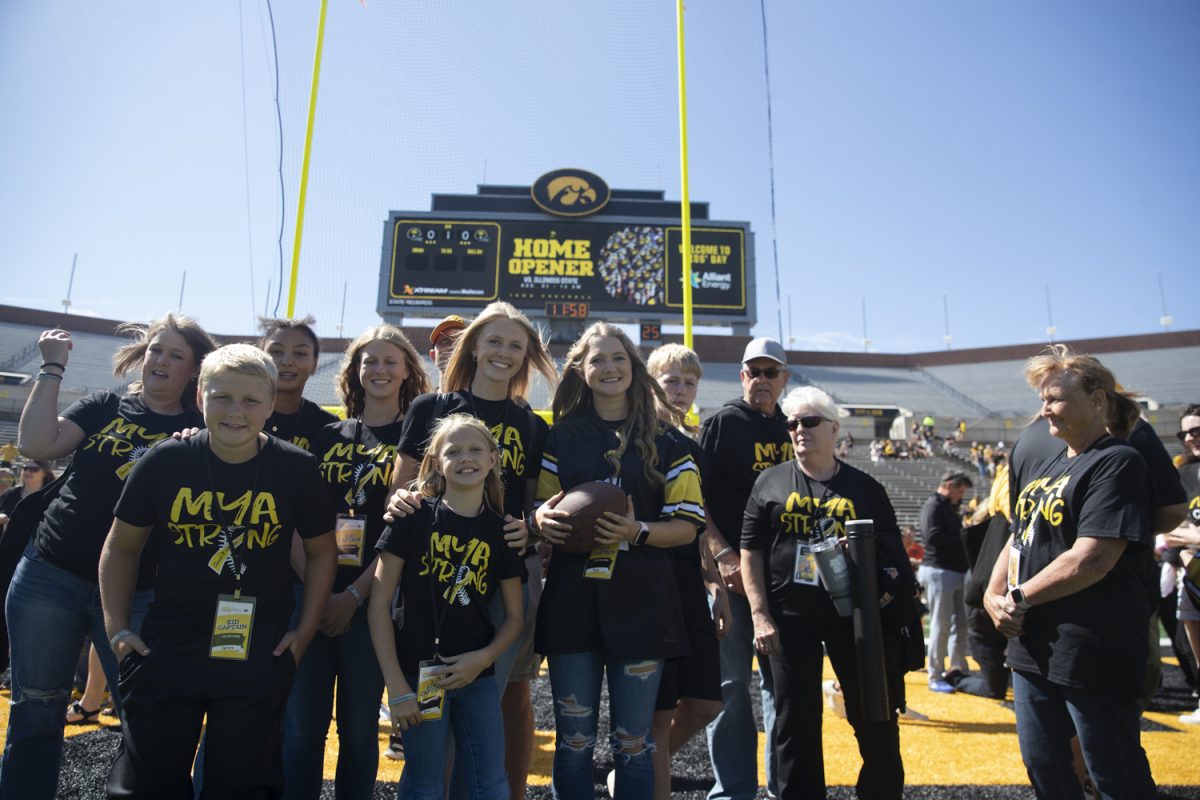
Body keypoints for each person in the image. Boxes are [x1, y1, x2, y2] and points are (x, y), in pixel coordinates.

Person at [98, 343, 336, 800]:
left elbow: (322, 553)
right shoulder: (166, 460)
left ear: (270, 404)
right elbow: (121, 546)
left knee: (240, 786)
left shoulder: (296, 468)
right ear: (201, 398)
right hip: (169, 641)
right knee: (146, 784)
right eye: (222, 397)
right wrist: (117, 630)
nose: (235, 411)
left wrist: (303, 633)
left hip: (257, 643)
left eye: (250, 400)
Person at [0, 316, 216, 800]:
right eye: (156, 350)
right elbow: (37, 444)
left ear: (194, 371)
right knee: (35, 709)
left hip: (137, 591)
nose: (160, 360)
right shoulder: (104, 404)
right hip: (49, 574)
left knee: (142, 715)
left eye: (175, 355)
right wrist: (52, 368)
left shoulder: (198, 429)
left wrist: (198, 442)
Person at [389, 301, 554, 799]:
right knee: (433, 719)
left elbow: (531, 510)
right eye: (494, 341)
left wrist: (532, 530)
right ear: (474, 346)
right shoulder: (430, 409)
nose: (503, 353)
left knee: (500, 701)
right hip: (432, 578)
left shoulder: (530, 425)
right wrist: (400, 497)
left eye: (515, 346)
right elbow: (400, 492)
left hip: (501, 576)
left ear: (526, 359)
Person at [534, 322, 704, 800]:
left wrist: (636, 531)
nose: (608, 367)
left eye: (618, 358)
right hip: (573, 600)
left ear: (633, 367)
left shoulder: (671, 442)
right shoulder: (560, 437)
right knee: (574, 740)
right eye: (597, 360)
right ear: (582, 371)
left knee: (634, 742)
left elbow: (688, 527)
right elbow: (542, 509)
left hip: (642, 602)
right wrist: (540, 524)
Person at [984, 345, 1159, 799]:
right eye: (1042, 400)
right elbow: (1020, 532)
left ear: (1098, 400)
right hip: (1032, 647)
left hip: (1091, 647)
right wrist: (992, 592)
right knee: (1044, 767)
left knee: (1115, 772)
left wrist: (1017, 598)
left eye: (1056, 398)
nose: (1045, 410)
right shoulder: (1048, 464)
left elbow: (1091, 559)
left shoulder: (1118, 461)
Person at [282, 324, 430, 799]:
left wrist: (354, 595)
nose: (380, 369)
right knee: (302, 727)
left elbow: (402, 534)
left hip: (374, 602)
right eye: (370, 361)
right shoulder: (325, 434)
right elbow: (295, 524)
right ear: (355, 371)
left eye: (391, 360)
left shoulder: (419, 444)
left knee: (360, 728)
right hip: (313, 596)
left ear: (407, 370)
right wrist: (322, 594)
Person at [743, 386, 910, 800]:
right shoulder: (769, 482)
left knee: (875, 716)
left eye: (810, 421)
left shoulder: (866, 488)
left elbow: (894, 560)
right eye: (792, 423)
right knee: (794, 722)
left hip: (856, 619)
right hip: (789, 618)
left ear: (834, 429)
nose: (799, 429)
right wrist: (760, 615)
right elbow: (751, 550)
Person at [368, 414, 524, 800]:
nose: (466, 458)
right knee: (425, 784)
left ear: (492, 459)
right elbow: (379, 603)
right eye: (453, 451)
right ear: (437, 462)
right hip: (419, 678)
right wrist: (397, 687)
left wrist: (482, 658)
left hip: (477, 678)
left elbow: (515, 618)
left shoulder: (501, 531)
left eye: (475, 450)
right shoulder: (412, 518)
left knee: (491, 784)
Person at [698, 337, 791, 800]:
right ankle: (732, 791)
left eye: (770, 372)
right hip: (733, 578)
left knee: (783, 686)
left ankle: (780, 786)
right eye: (752, 371)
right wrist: (720, 556)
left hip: (783, 578)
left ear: (784, 379)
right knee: (731, 687)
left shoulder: (795, 429)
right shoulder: (722, 424)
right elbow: (695, 502)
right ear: (741, 376)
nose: (760, 379)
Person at [645, 343, 728, 800]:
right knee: (658, 714)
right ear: (651, 381)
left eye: (689, 382)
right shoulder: (638, 437)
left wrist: (717, 584)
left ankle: (635, 772)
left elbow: (696, 525)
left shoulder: (690, 441)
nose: (680, 390)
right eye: (670, 380)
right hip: (651, 583)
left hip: (688, 584)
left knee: (704, 703)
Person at [917, 471, 973, 693]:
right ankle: (935, 674)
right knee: (941, 626)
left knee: (961, 625)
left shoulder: (950, 508)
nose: (961, 497)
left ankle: (956, 669)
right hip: (939, 571)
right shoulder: (933, 506)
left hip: (956, 572)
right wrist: (964, 537)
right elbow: (931, 537)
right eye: (959, 492)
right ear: (949, 485)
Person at [0, 460, 55, 676]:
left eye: (34, 469)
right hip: (6, 558)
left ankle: (22, 669)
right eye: (25, 468)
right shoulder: (11, 494)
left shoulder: (50, 494)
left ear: (45, 473)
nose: (27, 472)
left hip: (36, 558)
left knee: (28, 617)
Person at [1163, 403, 1200, 723]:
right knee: (1187, 640)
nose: (1190, 438)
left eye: (1196, 430)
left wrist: (1190, 536)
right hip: (1191, 570)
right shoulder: (1184, 472)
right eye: (1184, 432)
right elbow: (1171, 528)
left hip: (1191, 558)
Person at [259, 317, 339, 451]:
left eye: (300, 353)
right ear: (259, 358)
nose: (286, 361)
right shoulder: (239, 412)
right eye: (276, 352)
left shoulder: (328, 426)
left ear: (315, 363)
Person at [429, 314, 468, 387]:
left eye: (460, 340)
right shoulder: (424, 398)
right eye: (445, 341)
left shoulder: (488, 397)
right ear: (433, 355)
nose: (453, 346)